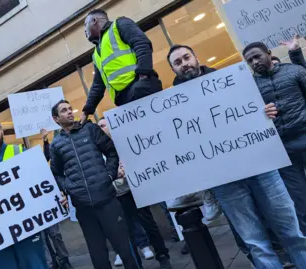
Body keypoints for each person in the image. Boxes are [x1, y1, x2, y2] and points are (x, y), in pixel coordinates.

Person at [168, 44, 306, 268]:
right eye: (178, 62)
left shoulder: (233, 80)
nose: (184, 64)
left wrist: (264, 112)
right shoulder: (171, 106)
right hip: (225, 180)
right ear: (173, 70)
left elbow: (255, 106)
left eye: (186, 57)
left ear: (196, 57)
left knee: (292, 232)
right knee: (256, 242)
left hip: (262, 167)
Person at [49, 100, 141, 269]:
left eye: (70, 109)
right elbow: (56, 173)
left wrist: (109, 175)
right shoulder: (55, 144)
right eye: (64, 111)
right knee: (98, 255)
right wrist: (68, 188)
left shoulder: (90, 130)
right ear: (56, 118)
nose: (70, 112)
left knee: (125, 248)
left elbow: (111, 152)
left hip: (107, 200)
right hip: (84, 207)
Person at [243, 41, 306, 236]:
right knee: (300, 202)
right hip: (283, 150)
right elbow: (247, 118)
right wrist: (260, 114)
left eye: (257, 56)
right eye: (250, 60)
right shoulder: (249, 88)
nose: (254, 62)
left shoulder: (294, 72)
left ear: (268, 54)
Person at [0, 117, 48, 269]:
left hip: (27, 225)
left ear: (1, 131)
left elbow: (39, 180)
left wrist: (56, 199)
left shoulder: (19, 151)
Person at [97, 117, 171, 268]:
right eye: (98, 127)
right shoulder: (98, 151)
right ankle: (136, 264)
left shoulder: (125, 143)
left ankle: (162, 255)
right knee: (126, 232)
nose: (101, 129)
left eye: (103, 125)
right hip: (117, 196)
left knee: (149, 224)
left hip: (135, 191)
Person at [80, 9, 162, 124]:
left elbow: (142, 44)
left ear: (94, 20)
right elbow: (98, 85)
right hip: (123, 101)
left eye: (85, 25)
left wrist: (143, 78)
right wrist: (86, 111)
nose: (84, 31)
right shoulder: (96, 54)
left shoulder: (119, 25)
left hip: (140, 88)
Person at [40, 128, 74, 269]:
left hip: (45, 205)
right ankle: (51, 263)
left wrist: (45, 141)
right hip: (32, 211)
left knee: (55, 234)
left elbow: (45, 158)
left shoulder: (38, 165)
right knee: (42, 240)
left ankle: (64, 259)